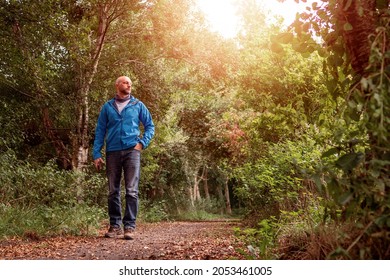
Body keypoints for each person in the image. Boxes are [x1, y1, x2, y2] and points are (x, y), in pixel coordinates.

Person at [92, 75, 155, 240]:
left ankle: (129, 227)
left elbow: (150, 126)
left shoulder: (138, 105)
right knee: (113, 191)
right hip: (112, 151)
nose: (129, 85)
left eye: (130, 83)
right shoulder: (107, 107)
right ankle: (114, 225)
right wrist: (97, 153)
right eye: (126, 82)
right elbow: (100, 131)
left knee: (131, 191)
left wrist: (142, 143)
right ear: (117, 85)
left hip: (132, 151)